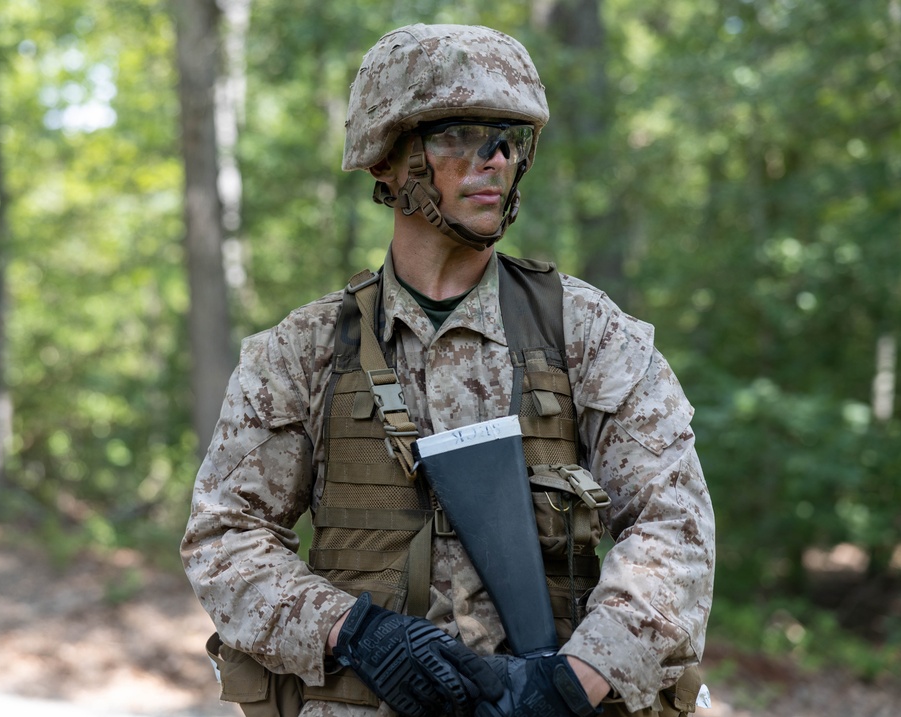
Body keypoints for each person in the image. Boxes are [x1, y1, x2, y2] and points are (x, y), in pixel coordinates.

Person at [182, 23, 715, 717]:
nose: (494, 159)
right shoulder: (305, 351)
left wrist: (575, 679)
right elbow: (226, 534)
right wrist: (354, 631)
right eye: (460, 136)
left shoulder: (585, 331)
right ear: (387, 159)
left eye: (509, 140)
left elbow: (673, 523)